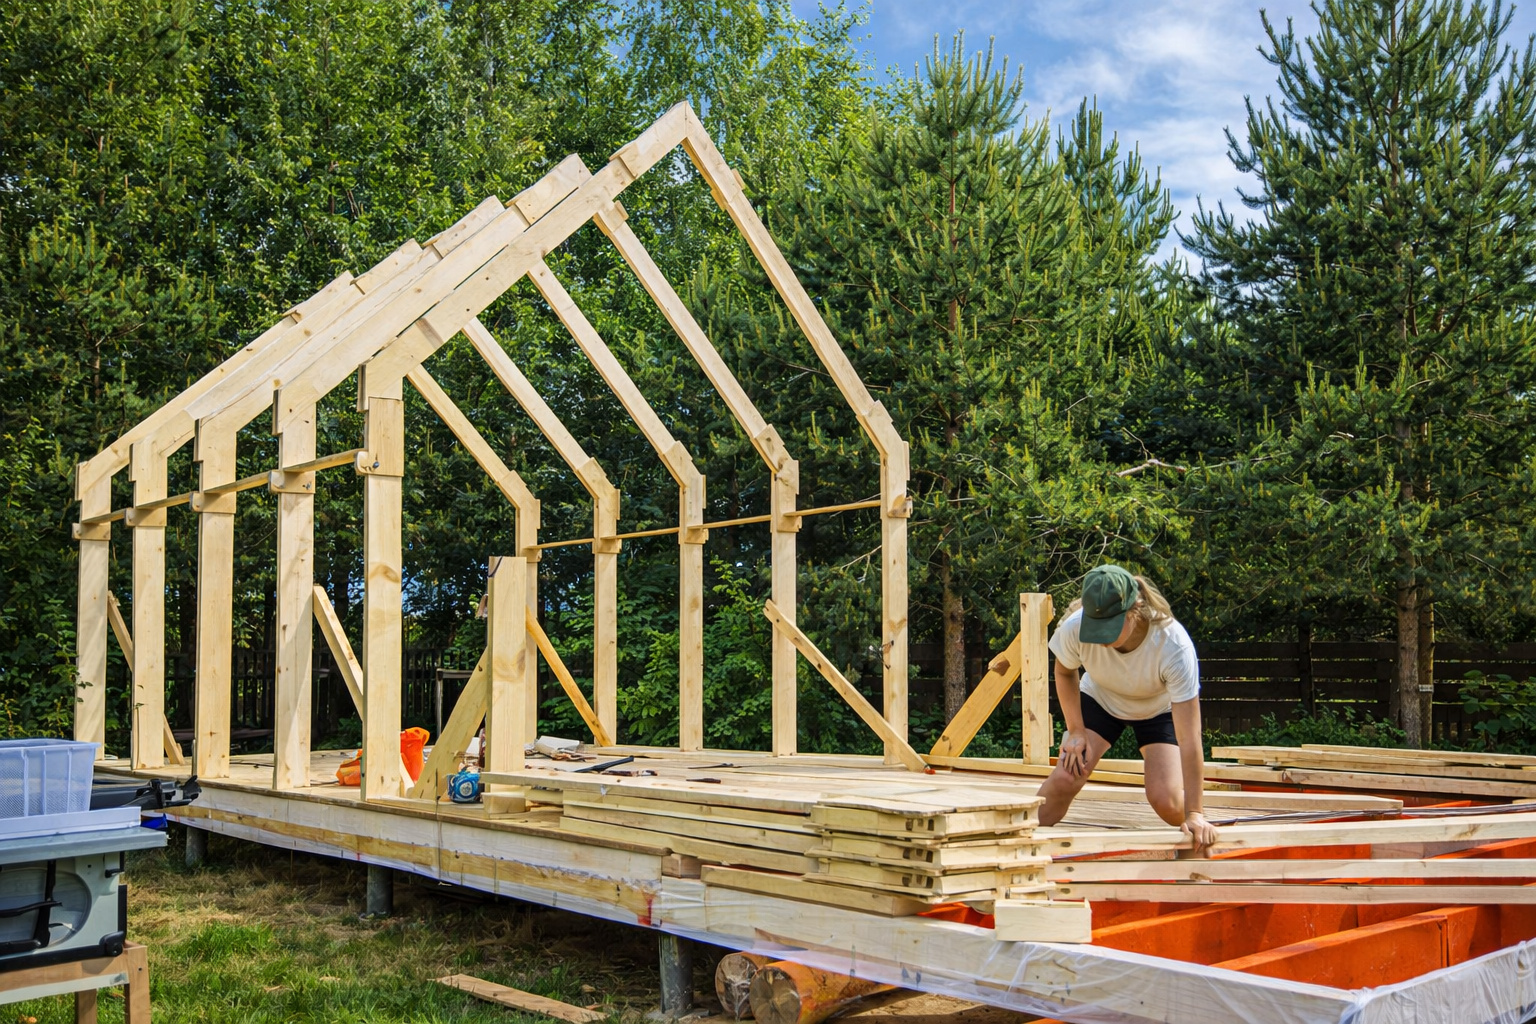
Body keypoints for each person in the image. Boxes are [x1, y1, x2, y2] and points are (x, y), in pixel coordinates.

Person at [1037, 565, 1219, 849]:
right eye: (1096, 628)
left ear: (1134, 611)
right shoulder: (1075, 627)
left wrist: (1195, 812)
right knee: (1064, 778)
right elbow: (1064, 671)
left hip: (1157, 710)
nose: (1101, 639)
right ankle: (1016, 845)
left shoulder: (1173, 644)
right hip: (1101, 699)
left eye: (1108, 629)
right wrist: (1076, 730)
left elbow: (1189, 737)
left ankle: (1205, 826)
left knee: (1167, 800)